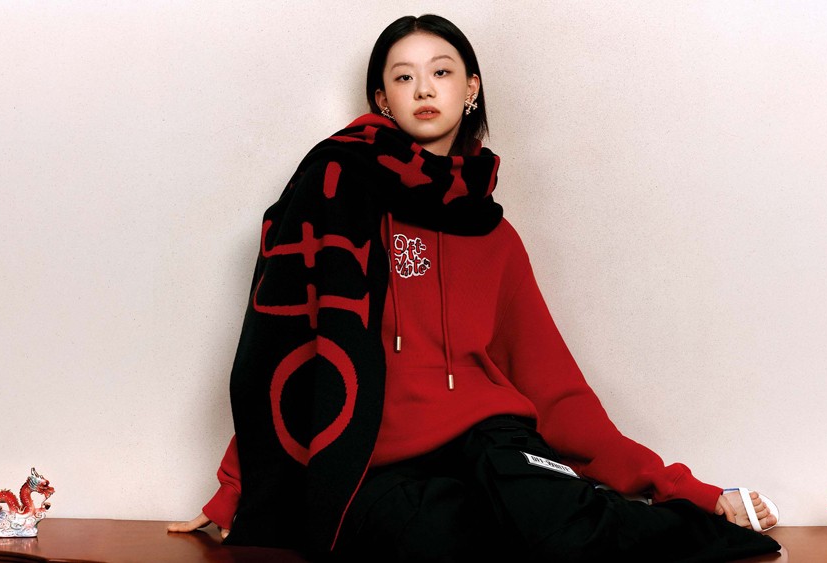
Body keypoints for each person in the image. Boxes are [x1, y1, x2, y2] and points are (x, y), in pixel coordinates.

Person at [168, 13, 782, 563]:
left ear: (471, 89)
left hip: (493, 442)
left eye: (441, 71)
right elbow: (284, 348)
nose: (424, 89)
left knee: (561, 525)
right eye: (403, 78)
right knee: (439, 541)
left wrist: (685, 488)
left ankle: (683, 524)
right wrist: (234, 492)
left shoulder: (496, 236)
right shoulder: (340, 196)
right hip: (379, 459)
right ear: (382, 99)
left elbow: (556, 390)